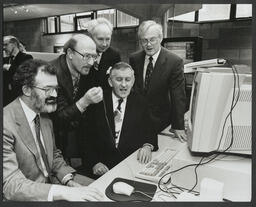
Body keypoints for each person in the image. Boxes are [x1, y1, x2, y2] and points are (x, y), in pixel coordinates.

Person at [3, 59, 103, 201]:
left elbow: (53, 155)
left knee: (101, 191)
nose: (55, 95)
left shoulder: (44, 116)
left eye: (56, 89)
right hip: (26, 195)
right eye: (47, 89)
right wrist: (63, 192)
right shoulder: (5, 124)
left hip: (54, 183)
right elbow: (10, 185)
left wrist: (68, 181)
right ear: (26, 90)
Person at [82, 62, 158, 178]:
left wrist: (147, 146)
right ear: (110, 82)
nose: (124, 84)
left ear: (133, 82)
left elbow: (150, 131)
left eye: (127, 80)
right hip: (103, 167)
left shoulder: (141, 102)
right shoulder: (97, 102)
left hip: (131, 165)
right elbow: (84, 138)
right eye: (119, 79)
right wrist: (94, 163)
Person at [129, 20, 187, 142]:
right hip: (136, 120)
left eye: (152, 39)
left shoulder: (174, 61)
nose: (148, 44)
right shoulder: (134, 58)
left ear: (160, 38)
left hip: (161, 121)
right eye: (144, 41)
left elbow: (178, 95)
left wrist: (178, 126)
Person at [50, 34, 103, 160]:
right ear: (70, 53)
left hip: (76, 139)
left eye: (94, 56)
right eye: (86, 56)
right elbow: (58, 118)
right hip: (54, 141)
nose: (91, 62)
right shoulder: (51, 73)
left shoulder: (87, 70)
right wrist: (84, 101)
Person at [84, 17, 121, 90]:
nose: (104, 44)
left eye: (107, 39)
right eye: (100, 39)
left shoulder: (114, 55)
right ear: (91, 37)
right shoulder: (81, 52)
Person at [3, 35, 33, 106]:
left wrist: (8, 67)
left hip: (19, 96)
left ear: (14, 44)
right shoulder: (6, 59)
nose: (3, 48)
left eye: (6, 45)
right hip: (6, 98)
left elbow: (25, 73)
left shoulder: (26, 57)